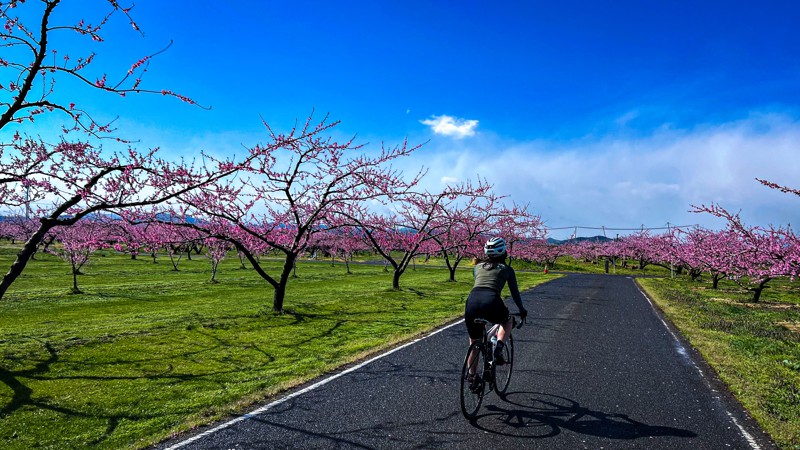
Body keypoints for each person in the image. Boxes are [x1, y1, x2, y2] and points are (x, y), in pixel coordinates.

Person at [464, 237, 528, 368]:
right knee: (507, 320)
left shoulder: (477, 267)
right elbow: (514, 293)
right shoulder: (507, 269)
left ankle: (472, 379)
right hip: (492, 300)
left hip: (471, 301)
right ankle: (498, 349)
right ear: (504, 251)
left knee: (474, 343)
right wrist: (521, 310)